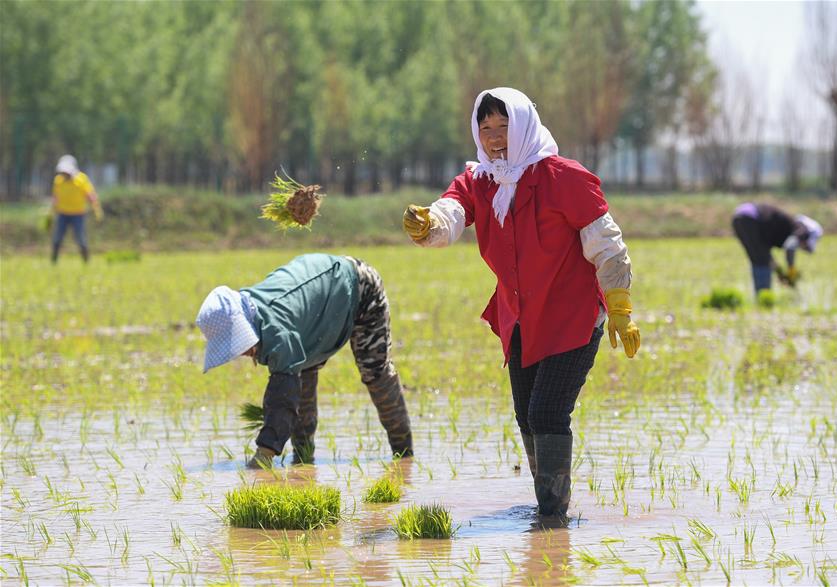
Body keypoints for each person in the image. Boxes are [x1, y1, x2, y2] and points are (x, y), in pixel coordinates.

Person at [402, 87, 640, 521]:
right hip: (521, 320)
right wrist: (428, 222)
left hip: (572, 316)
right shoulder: (481, 181)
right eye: (486, 127)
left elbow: (607, 246)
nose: (495, 137)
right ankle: (548, 509)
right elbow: (450, 213)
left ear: (524, 124)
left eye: (503, 125)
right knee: (526, 415)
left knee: (547, 411)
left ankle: (553, 517)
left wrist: (621, 310)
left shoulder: (563, 177)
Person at [195, 253, 413, 468]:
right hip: (319, 300)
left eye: (236, 343)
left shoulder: (277, 331)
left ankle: (404, 454)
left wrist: (263, 456)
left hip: (357, 286)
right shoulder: (255, 312)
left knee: (374, 371)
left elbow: (283, 398)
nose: (239, 353)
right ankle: (303, 461)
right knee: (301, 371)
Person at [731, 202, 823, 295]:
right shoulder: (802, 231)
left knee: (759, 259)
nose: (803, 248)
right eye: (806, 246)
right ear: (808, 237)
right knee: (761, 262)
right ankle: (764, 299)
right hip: (750, 218)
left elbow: (767, 255)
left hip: (740, 216)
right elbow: (790, 248)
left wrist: (780, 273)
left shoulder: (786, 228)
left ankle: (762, 297)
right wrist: (791, 269)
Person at [51, 155, 102, 263]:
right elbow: (55, 197)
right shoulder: (58, 181)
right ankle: (53, 262)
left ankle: (86, 261)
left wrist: (96, 208)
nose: (64, 174)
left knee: (81, 239)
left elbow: (90, 195)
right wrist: (51, 211)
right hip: (62, 214)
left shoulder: (81, 180)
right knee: (57, 238)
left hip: (78, 214)